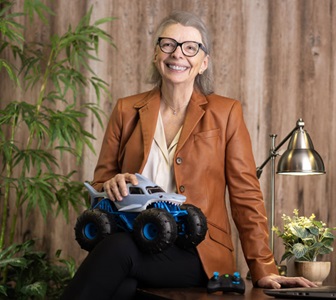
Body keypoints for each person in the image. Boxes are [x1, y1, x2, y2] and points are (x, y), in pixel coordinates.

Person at [61, 10, 316, 300]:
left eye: (190, 47)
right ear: (156, 54)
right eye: (168, 44)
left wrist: (263, 268)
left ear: (203, 63)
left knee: (117, 250)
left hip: (198, 250)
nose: (177, 54)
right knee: (123, 288)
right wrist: (110, 184)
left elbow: (246, 195)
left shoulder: (226, 112)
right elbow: (98, 185)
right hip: (139, 239)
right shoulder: (125, 110)